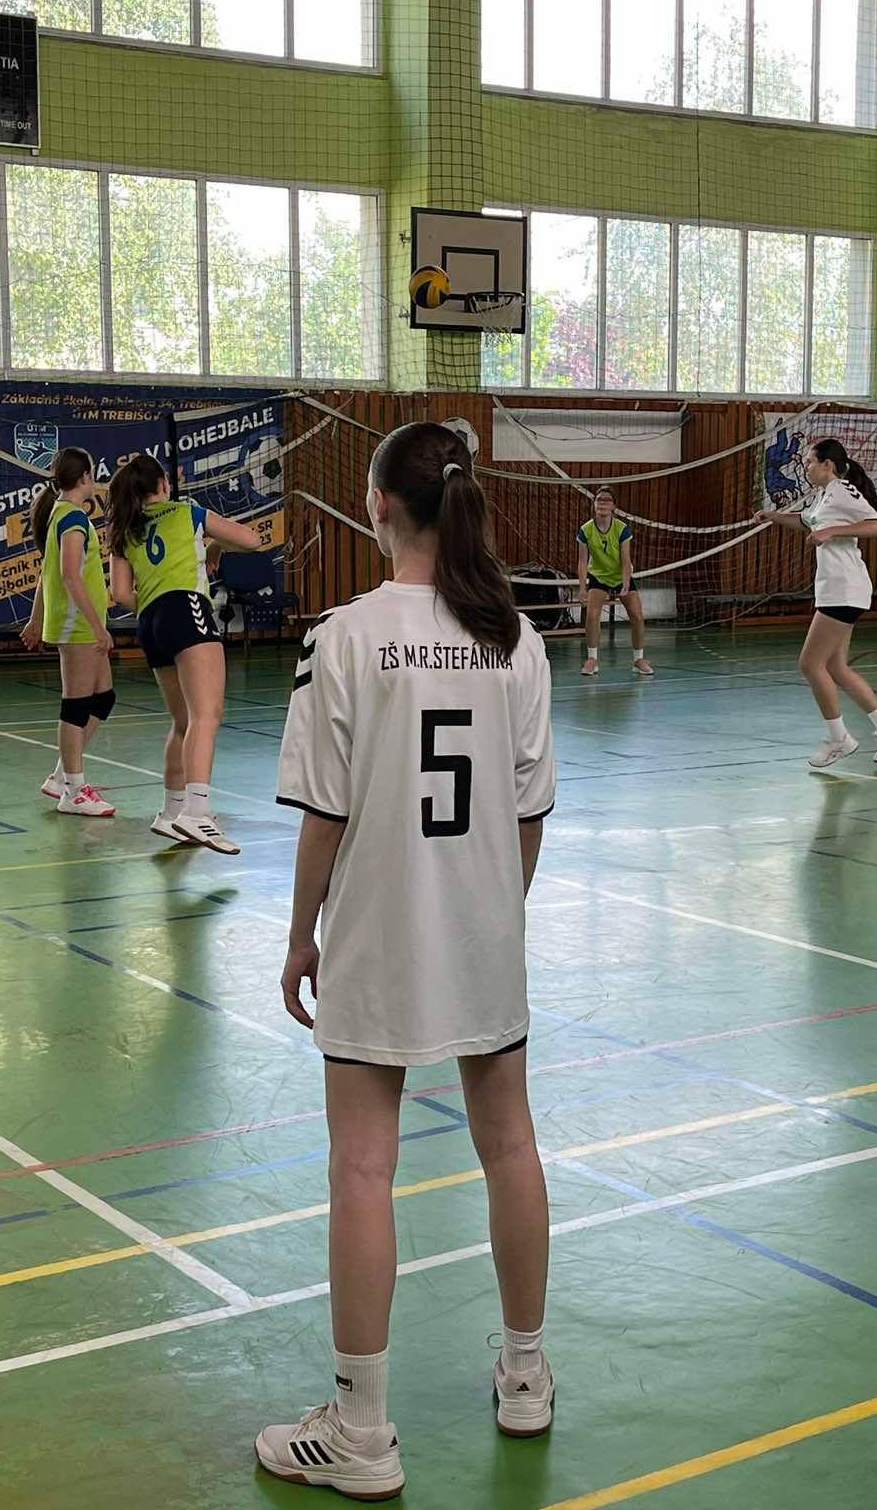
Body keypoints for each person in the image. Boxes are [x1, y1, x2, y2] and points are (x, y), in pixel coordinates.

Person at [259, 420, 555, 1499]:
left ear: (378, 506)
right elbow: (528, 813)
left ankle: (362, 1431)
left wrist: (303, 934)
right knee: (509, 1145)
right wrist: (491, 918)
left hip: (377, 940)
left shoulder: (341, 637)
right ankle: (525, 1376)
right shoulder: (515, 639)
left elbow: (323, 814)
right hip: (485, 937)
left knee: (361, 1168)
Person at [106, 455, 262, 852]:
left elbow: (120, 594)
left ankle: (172, 812)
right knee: (206, 716)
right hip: (187, 608)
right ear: (162, 484)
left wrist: (156, 602)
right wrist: (214, 544)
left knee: (182, 722)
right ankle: (198, 812)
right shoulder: (186, 512)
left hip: (150, 621)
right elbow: (251, 539)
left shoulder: (126, 528)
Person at [755, 438, 877, 770]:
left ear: (828, 465)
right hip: (836, 590)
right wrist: (774, 516)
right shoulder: (824, 495)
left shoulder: (842, 491)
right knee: (836, 668)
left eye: (810, 462)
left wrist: (833, 532)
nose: (806, 468)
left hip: (844, 589)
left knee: (810, 664)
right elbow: (806, 521)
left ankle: (838, 739)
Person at [20, 448, 118, 817]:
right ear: (84, 478)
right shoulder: (73, 518)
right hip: (77, 624)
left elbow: (45, 574)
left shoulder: (59, 513)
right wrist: (96, 626)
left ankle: (61, 775)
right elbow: (68, 575)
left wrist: (34, 620)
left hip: (78, 623)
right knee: (75, 705)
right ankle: (74, 791)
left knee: (103, 698)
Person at [575, 489, 653, 677]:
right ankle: (592, 659)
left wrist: (625, 583)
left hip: (620, 576)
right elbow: (582, 561)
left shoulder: (621, 529)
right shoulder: (585, 530)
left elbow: (625, 559)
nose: (602, 503)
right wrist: (582, 588)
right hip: (599, 576)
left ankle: (638, 660)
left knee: (637, 616)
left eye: (607, 500)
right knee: (592, 616)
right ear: (594, 504)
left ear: (614, 506)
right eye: (599, 499)